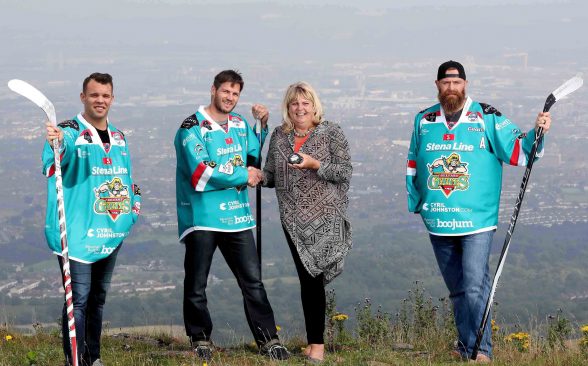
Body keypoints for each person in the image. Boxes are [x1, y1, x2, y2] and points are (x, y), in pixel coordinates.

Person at [406, 61, 551, 362]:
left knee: (474, 286)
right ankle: (465, 345)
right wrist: (417, 203)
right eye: (446, 83)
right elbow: (413, 164)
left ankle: (481, 351)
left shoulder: (486, 116)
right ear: (437, 86)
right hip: (439, 222)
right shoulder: (423, 119)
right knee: (458, 290)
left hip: (476, 221)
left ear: (465, 85)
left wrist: (538, 131)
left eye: (456, 83)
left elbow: (519, 150)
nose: (451, 88)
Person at [174, 70, 289, 361]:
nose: (230, 98)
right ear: (213, 90)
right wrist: (243, 174)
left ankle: (268, 339)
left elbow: (252, 155)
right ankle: (200, 338)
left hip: (238, 217)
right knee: (197, 283)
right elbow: (201, 172)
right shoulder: (191, 127)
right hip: (202, 218)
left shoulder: (238, 123)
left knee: (253, 281)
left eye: (235, 93)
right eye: (226, 91)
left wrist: (261, 124)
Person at [43, 73, 141, 366]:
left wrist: (132, 209)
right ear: (83, 97)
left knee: (98, 298)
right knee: (79, 302)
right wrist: (57, 144)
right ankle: (74, 360)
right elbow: (62, 151)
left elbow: (126, 179)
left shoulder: (120, 137)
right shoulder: (69, 130)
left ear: (112, 98)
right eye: (94, 95)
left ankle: (92, 357)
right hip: (76, 234)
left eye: (106, 95)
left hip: (109, 233)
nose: (100, 100)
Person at [262, 81, 353, 363]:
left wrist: (316, 165)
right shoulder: (279, 136)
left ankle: (317, 347)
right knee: (307, 281)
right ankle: (315, 342)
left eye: (305, 103)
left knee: (312, 280)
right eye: (294, 103)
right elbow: (271, 175)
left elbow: (344, 171)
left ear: (314, 106)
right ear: (287, 108)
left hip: (326, 219)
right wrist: (253, 176)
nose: (300, 108)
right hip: (293, 222)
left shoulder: (331, 132)